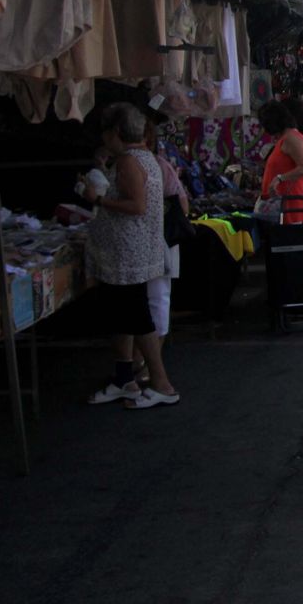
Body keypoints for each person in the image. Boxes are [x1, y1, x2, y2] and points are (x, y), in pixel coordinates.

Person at [83, 103, 178, 409]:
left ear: (115, 133)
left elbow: (136, 205)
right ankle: (125, 378)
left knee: (137, 318)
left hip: (128, 255)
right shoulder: (144, 158)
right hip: (132, 253)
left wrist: (97, 198)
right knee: (125, 317)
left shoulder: (128, 161)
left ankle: (162, 384)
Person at [143, 119, 189, 356]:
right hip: (152, 241)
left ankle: (149, 359)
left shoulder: (157, 166)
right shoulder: (159, 165)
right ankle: (145, 359)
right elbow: (184, 205)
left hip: (158, 239)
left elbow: (181, 205)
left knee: (156, 297)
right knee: (156, 298)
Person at [257, 100, 303, 224]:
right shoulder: (287, 138)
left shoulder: (291, 138)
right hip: (280, 205)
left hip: (288, 207)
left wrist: (279, 178)